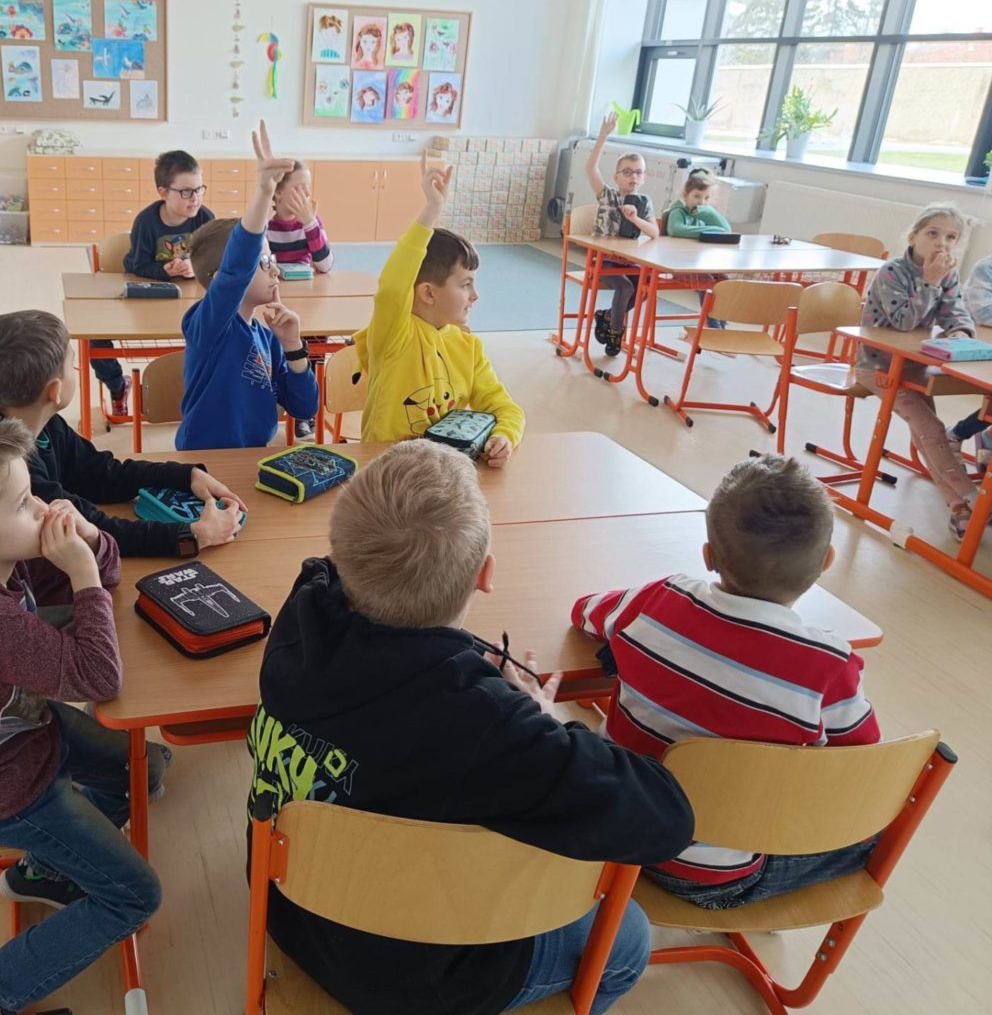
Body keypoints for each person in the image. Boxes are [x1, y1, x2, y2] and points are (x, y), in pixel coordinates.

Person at [248, 441, 695, 1015]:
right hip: (408, 978)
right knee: (627, 934)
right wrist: (547, 720)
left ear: (341, 555)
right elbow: (666, 820)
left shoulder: (300, 615)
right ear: (485, 574)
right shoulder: (491, 729)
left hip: (282, 903)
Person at [0, 422, 168, 1015]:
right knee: (135, 896)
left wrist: (88, 540)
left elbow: (109, 574)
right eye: (24, 503)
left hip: (26, 734)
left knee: (147, 766)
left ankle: (44, 872)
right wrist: (82, 574)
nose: (43, 509)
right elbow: (99, 677)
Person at [573, 454, 881, 909]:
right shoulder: (829, 664)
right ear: (827, 561)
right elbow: (860, 761)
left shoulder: (660, 597)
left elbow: (584, 611)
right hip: (709, 876)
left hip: (609, 831)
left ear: (708, 556)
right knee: (874, 832)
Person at [0, 309, 246, 558]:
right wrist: (193, 536)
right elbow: (91, 530)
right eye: (72, 365)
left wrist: (185, 475)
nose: (75, 371)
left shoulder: (35, 418)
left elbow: (100, 473)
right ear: (55, 391)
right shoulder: (9, 468)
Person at [354, 156, 525, 460]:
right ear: (428, 293)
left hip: (443, 472)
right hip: (387, 471)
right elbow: (393, 288)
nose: (476, 295)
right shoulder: (394, 335)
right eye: (465, 284)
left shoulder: (468, 348)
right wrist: (431, 210)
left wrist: (504, 436)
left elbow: (504, 407)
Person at [175, 122, 319, 449]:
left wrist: (293, 347)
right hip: (206, 458)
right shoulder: (209, 325)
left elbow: (304, 408)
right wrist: (264, 194)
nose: (275, 269)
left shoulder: (267, 337)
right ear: (221, 279)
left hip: (253, 456)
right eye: (264, 262)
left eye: (272, 260)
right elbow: (237, 268)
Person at [855, 203, 982, 537]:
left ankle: (959, 507)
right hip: (877, 366)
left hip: (914, 366)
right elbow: (904, 322)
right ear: (913, 236)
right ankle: (973, 498)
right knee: (930, 427)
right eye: (933, 233)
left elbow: (956, 311)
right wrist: (929, 281)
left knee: (928, 431)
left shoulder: (947, 273)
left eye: (951, 237)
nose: (942, 243)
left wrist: (960, 331)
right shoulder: (892, 273)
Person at [94, 150, 216, 417]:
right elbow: (135, 266)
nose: (195, 198)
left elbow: (216, 263)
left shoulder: (206, 218)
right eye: (186, 192)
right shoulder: (146, 222)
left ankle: (204, 391)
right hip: (149, 302)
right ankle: (117, 385)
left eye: (199, 189)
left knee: (224, 330)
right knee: (95, 337)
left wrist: (195, 268)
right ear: (163, 192)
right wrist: (164, 270)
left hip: (191, 303)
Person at [268, 161, 335, 439]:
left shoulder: (311, 222)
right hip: (274, 299)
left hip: (306, 300)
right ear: (278, 192)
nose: (306, 195)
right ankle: (277, 399)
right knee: (274, 346)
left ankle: (305, 413)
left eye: (308, 188)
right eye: (299, 188)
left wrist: (309, 223)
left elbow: (326, 264)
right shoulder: (266, 223)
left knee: (316, 342)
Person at [585, 112, 658, 357]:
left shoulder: (644, 202)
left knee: (645, 287)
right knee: (625, 287)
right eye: (627, 172)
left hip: (629, 261)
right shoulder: (608, 195)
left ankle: (608, 315)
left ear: (644, 178)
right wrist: (603, 136)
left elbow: (654, 232)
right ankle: (616, 331)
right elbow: (591, 168)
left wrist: (635, 218)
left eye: (638, 172)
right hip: (604, 259)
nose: (633, 177)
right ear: (616, 177)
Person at [664, 167, 730, 328]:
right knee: (708, 283)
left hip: (699, 264)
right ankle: (712, 326)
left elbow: (726, 230)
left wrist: (710, 213)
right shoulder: (678, 211)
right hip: (678, 265)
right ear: (685, 195)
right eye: (696, 196)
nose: (701, 202)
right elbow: (676, 230)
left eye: (706, 198)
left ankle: (721, 326)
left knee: (724, 282)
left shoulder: (702, 212)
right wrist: (709, 231)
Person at [945, 252, 992, 468]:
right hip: (975, 354)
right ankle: (959, 434)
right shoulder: (987, 268)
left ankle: (986, 436)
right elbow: (984, 313)